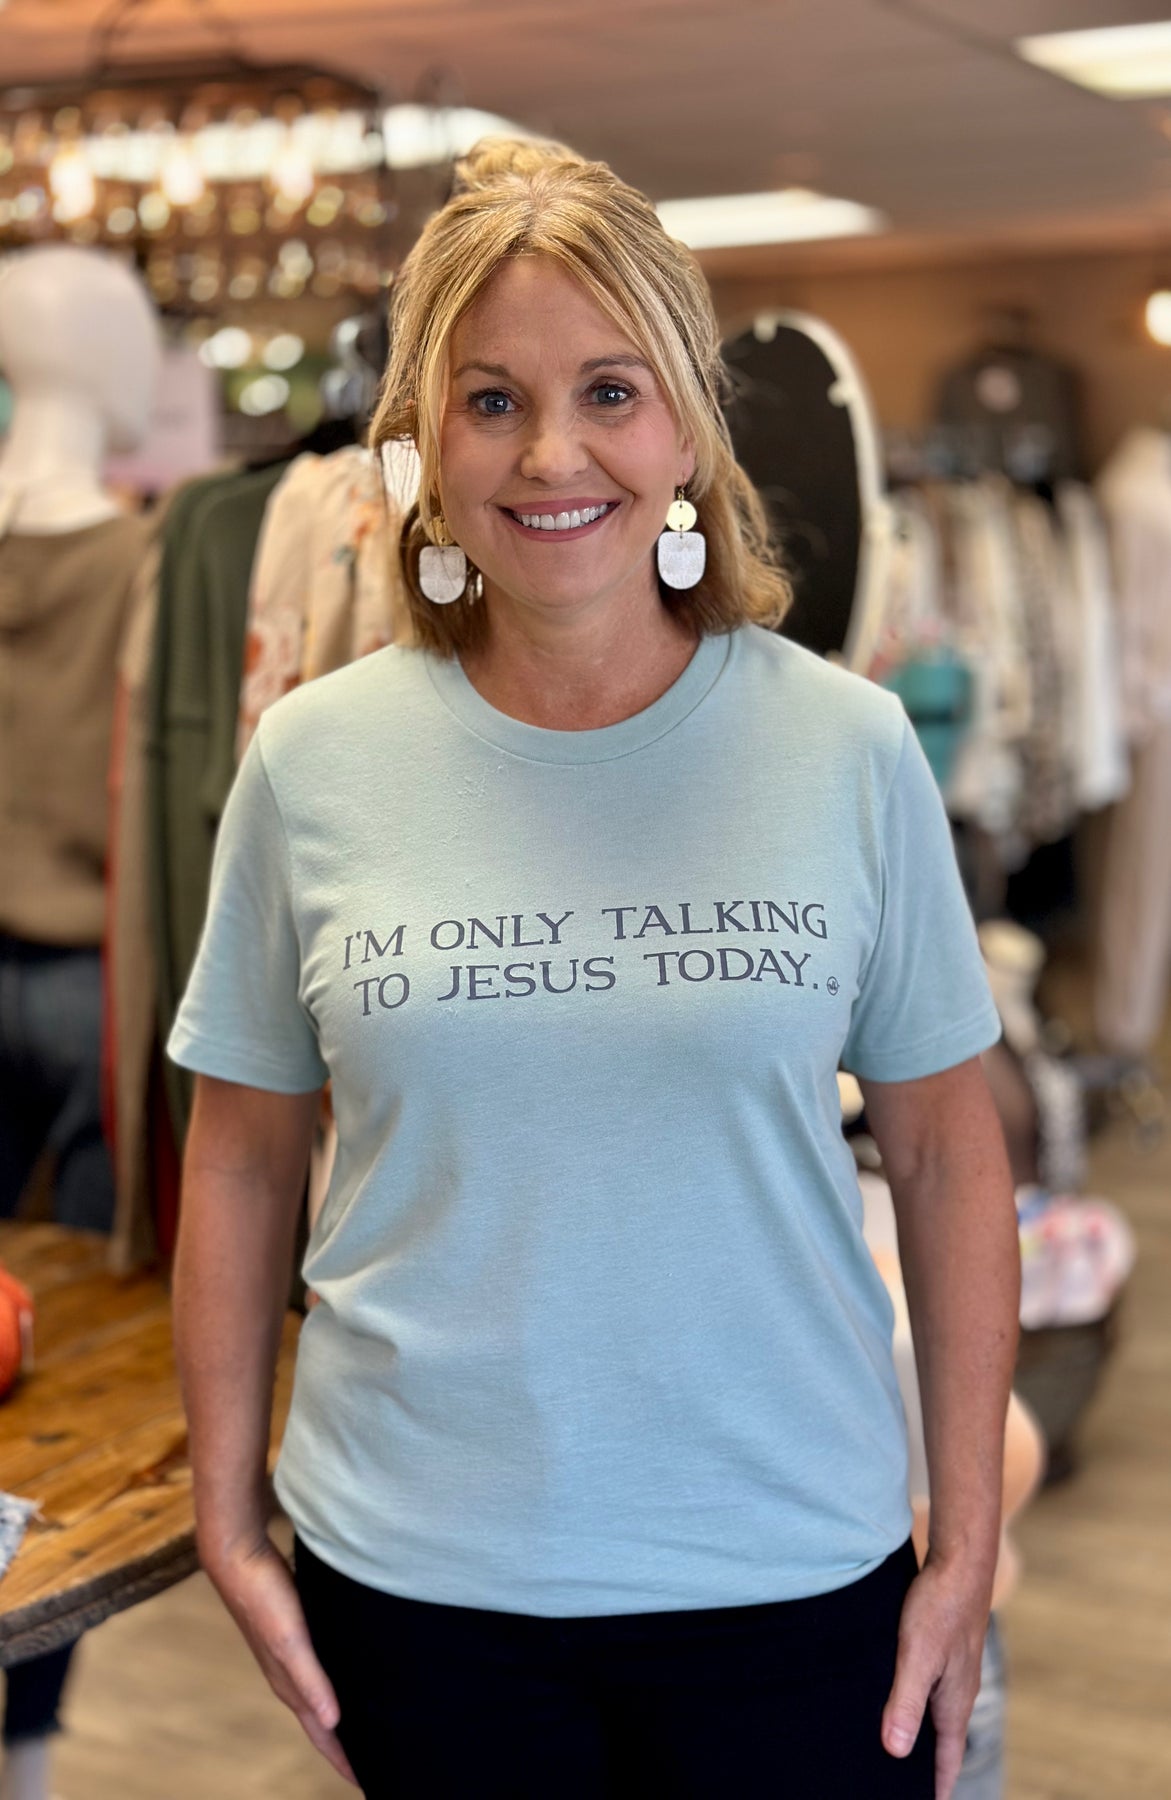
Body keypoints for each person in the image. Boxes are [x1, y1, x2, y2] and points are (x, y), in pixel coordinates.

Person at [170, 138, 1020, 1800]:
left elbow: (944, 1151)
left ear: (688, 425)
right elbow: (242, 1151)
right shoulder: (312, 761)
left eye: (610, 392)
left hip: (791, 1571)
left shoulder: (846, 749)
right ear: (420, 441)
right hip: (419, 1586)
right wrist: (224, 1506)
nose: (552, 453)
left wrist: (970, 1536)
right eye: (490, 400)